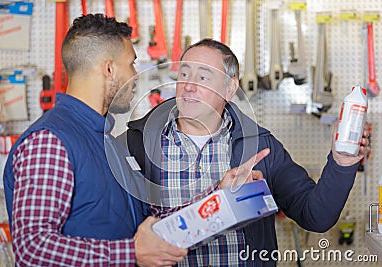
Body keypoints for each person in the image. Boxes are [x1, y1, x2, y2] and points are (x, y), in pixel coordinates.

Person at [126, 38, 370, 266]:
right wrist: (218, 199)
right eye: (184, 74)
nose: (189, 86)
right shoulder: (137, 145)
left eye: (203, 78)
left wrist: (342, 162)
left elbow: (316, 216)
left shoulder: (261, 147)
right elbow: (125, 234)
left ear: (230, 89)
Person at [3, 14, 187, 267]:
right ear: (109, 69)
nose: (136, 77)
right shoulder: (50, 142)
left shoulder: (108, 141)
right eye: (132, 64)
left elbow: (150, 216)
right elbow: (33, 248)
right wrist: (130, 254)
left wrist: (219, 194)